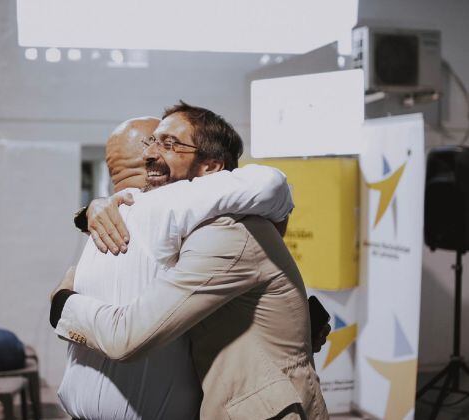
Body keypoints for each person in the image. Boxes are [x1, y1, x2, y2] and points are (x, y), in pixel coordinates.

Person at [52, 102, 329, 419]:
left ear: (211, 169)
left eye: (168, 144)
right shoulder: (191, 227)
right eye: (153, 142)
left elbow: (127, 337)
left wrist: (62, 303)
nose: (150, 155)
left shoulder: (228, 232)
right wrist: (95, 209)